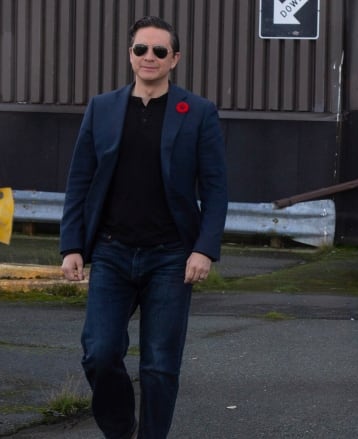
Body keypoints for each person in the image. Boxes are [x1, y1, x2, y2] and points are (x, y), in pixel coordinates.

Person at [59, 15, 228, 438]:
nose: (148, 57)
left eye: (158, 51)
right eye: (140, 49)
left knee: (159, 365)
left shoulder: (199, 112)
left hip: (172, 257)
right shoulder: (102, 108)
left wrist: (204, 249)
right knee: (98, 353)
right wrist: (72, 245)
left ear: (174, 59)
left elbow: (216, 188)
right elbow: (80, 179)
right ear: (129, 55)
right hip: (113, 252)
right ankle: (120, 431)